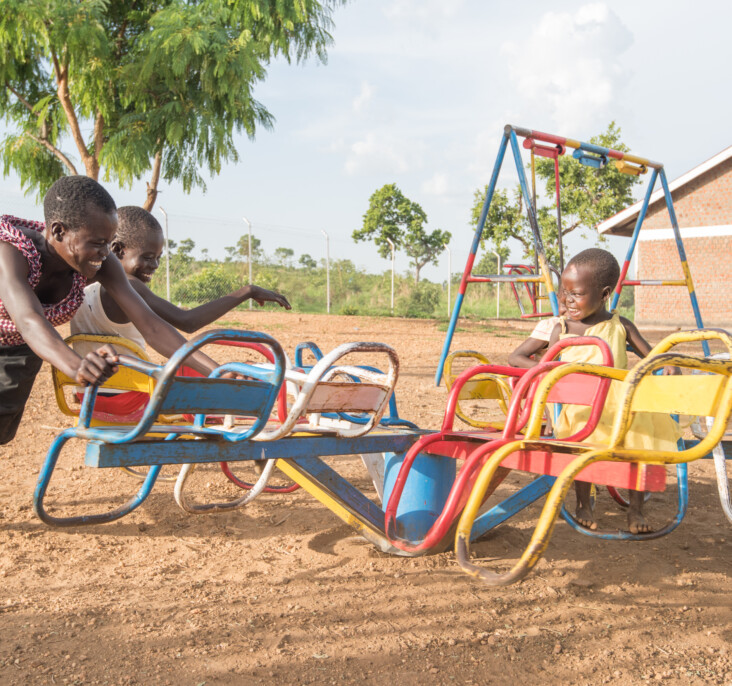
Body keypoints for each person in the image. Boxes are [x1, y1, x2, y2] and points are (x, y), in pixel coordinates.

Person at [0, 176, 224, 445]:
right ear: (59, 231)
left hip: (22, 345)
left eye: (109, 242)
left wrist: (216, 371)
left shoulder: (101, 262)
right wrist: (77, 366)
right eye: (96, 242)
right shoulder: (11, 252)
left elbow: (151, 326)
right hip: (27, 332)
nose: (106, 252)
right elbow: (28, 319)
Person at [69, 206, 291, 419]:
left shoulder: (82, 285)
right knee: (227, 375)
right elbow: (187, 321)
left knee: (188, 370)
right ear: (118, 250)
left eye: (158, 257)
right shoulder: (130, 285)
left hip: (89, 397)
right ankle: (270, 414)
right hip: (130, 399)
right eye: (147, 257)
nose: (155, 265)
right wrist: (247, 291)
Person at [544, 248, 680, 534]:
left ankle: (636, 509)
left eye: (576, 294)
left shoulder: (620, 325)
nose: (567, 301)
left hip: (621, 405)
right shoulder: (562, 329)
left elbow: (653, 356)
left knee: (638, 438)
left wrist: (668, 364)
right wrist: (548, 385)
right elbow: (538, 366)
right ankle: (584, 503)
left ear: (604, 293)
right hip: (582, 407)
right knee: (582, 439)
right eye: (563, 293)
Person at [508, 301, 567, 368]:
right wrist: (543, 368)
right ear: (559, 298)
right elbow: (515, 357)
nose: (571, 300)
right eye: (564, 304)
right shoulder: (552, 325)